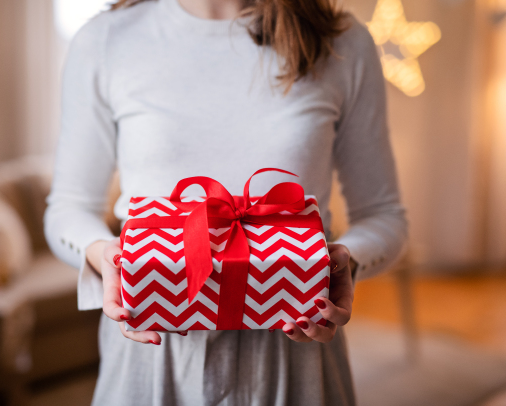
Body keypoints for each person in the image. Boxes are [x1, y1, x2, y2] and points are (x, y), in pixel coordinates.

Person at [44, 0, 408, 403]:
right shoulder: (106, 39)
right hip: (153, 354)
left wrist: (342, 263)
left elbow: (384, 216)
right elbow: (67, 209)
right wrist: (104, 256)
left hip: (295, 352)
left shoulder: (342, 42)